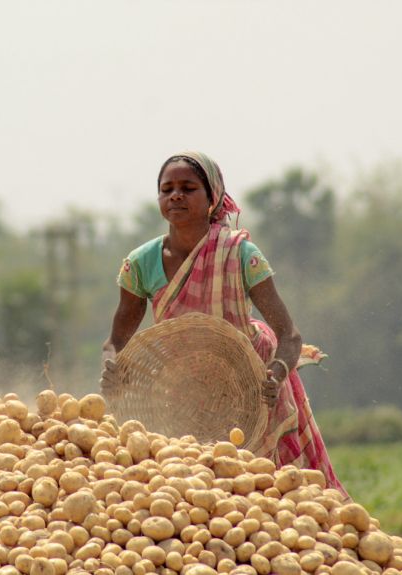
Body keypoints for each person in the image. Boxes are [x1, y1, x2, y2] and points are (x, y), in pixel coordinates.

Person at [100, 151, 345, 493]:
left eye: (188, 187)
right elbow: (117, 341)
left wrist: (274, 374)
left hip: (251, 379)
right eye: (166, 189)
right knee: (192, 486)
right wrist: (113, 366)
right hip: (182, 383)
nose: (176, 196)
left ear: (212, 198)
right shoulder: (141, 263)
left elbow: (289, 335)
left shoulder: (240, 254)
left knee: (273, 487)